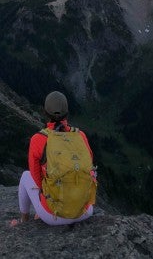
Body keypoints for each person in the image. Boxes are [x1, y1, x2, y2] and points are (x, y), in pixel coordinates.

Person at [18, 91, 95, 225]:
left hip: (53, 216)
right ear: (67, 113)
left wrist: (44, 200)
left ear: (45, 113)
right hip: (85, 212)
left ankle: (23, 221)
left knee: (26, 176)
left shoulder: (38, 139)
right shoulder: (80, 135)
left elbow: (37, 180)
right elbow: (90, 167)